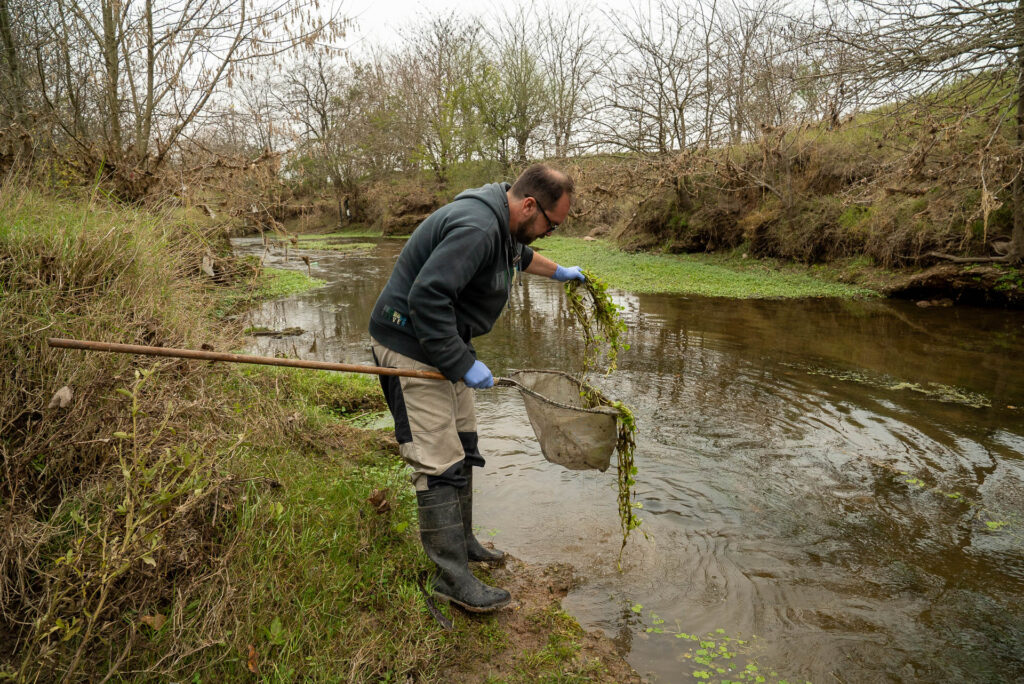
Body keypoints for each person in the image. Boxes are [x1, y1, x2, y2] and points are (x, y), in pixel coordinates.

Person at [368, 164, 586, 613]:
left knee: (464, 443)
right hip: (409, 344)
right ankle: (450, 580)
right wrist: (463, 363)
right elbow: (426, 297)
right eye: (551, 224)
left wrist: (560, 271)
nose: (548, 233)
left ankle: (463, 542)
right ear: (529, 205)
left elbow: (519, 257)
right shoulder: (477, 226)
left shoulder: (506, 224)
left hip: (442, 343)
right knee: (438, 461)